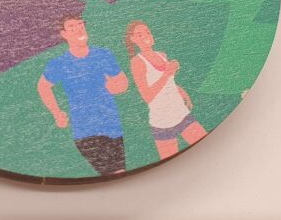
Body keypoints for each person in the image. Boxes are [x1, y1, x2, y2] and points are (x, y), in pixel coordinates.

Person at [37, 16, 129, 176]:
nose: (79, 29)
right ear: (64, 34)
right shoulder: (59, 63)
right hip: (86, 131)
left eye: (80, 24)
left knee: (119, 174)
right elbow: (43, 87)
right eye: (72, 27)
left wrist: (115, 87)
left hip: (112, 127)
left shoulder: (103, 54)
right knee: (114, 175)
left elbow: (123, 82)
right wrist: (56, 112)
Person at [126, 21, 207, 159]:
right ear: (133, 40)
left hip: (181, 113)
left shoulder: (162, 55)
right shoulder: (137, 62)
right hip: (162, 122)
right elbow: (147, 96)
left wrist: (183, 93)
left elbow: (169, 84)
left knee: (206, 147)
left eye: (147, 32)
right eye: (139, 34)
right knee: (171, 163)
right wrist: (167, 73)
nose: (145, 35)